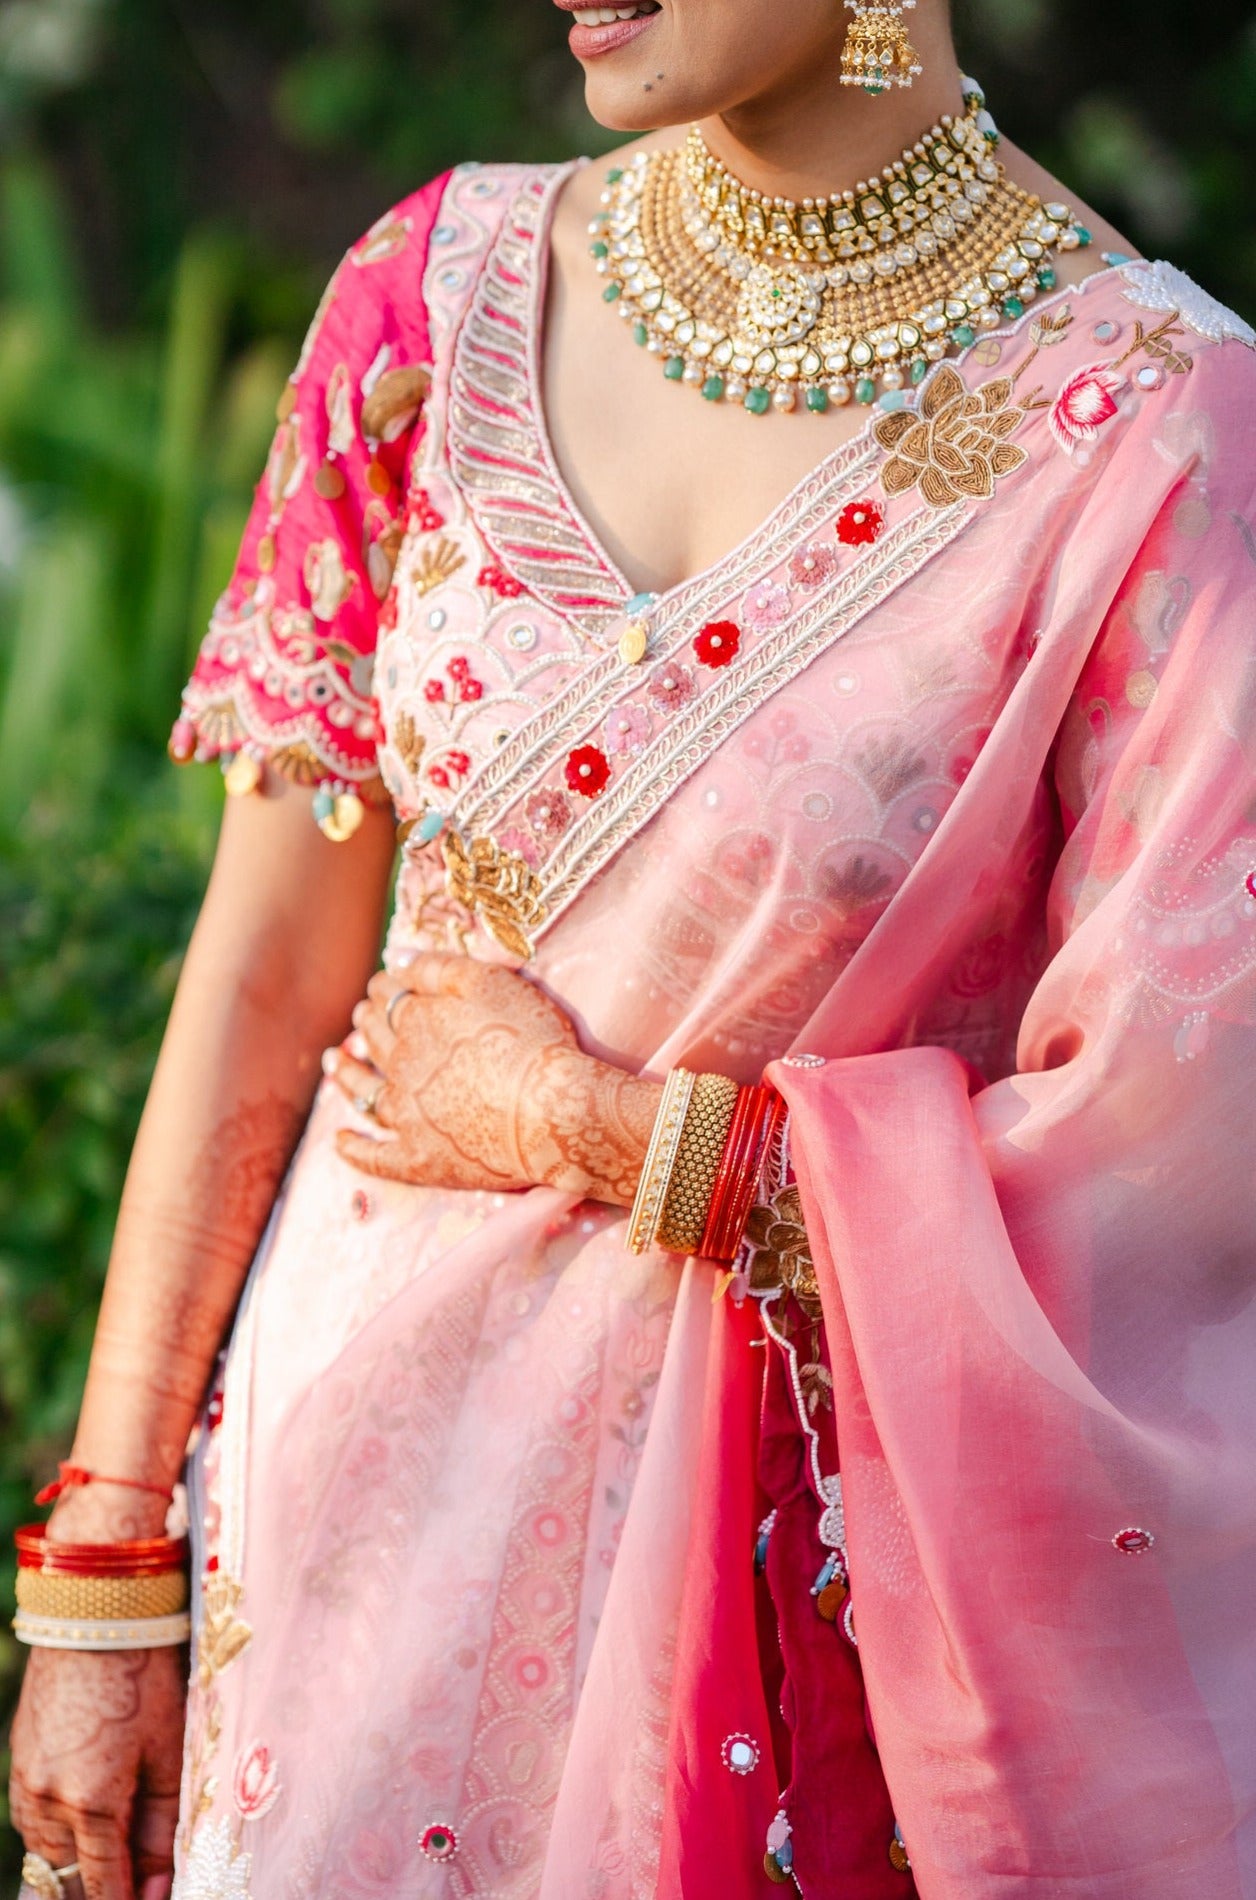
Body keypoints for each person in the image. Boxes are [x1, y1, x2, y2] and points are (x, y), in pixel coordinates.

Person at [9, 0, 1256, 1892]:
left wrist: (605, 1131)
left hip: (783, 1626)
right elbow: (265, 968)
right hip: (327, 1544)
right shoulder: (430, 291)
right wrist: (105, 1572)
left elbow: (1178, 1182)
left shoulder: (1157, 425)